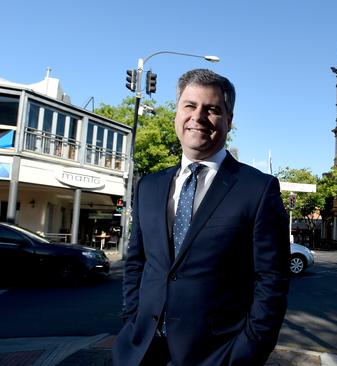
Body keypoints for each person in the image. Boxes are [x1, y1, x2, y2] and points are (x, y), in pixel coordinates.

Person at [113, 69, 291, 366]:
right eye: (190, 106)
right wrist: (131, 317)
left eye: (212, 109)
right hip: (142, 350)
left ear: (228, 120)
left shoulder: (258, 189)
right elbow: (137, 261)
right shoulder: (149, 186)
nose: (198, 116)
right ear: (177, 113)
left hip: (218, 355)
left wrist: (249, 350)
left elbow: (271, 278)